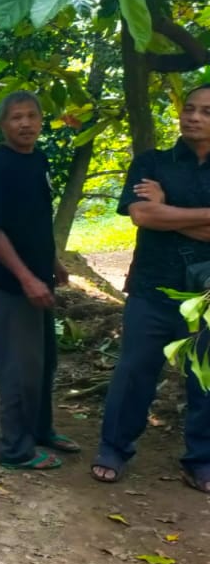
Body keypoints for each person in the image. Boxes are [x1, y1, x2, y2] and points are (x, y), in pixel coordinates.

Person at [93, 84, 210, 493]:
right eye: (190, 108)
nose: (194, 117)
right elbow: (142, 215)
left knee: (205, 378)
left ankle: (201, 460)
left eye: (206, 112)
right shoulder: (152, 163)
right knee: (133, 373)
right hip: (151, 288)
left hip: (205, 298)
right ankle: (113, 448)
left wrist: (169, 211)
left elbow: (158, 215)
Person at [0, 92, 75, 470]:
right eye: (16, 117)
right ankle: (14, 448)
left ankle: (39, 429)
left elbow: (36, 221)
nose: (25, 124)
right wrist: (26, 278)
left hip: (40, 277)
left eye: (32, 116)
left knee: (45, 361)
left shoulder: (38, 160)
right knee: (19, 367)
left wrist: (53, 263)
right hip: (11, 282)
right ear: (3, 125)